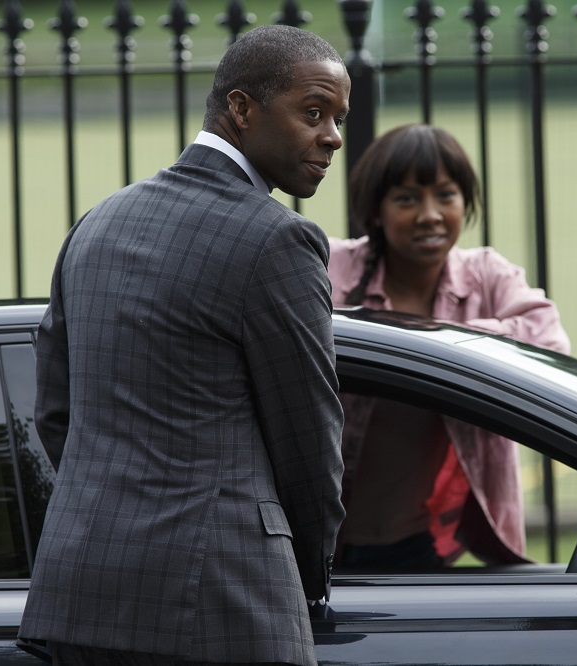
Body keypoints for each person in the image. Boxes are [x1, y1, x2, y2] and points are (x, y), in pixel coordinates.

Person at [18, 25, 349, 666]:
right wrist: (304, 580)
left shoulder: (100, 220)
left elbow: (57, 414)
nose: (332, 136)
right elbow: (309, 446)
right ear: (242, 109)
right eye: (313, 113)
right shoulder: (276, 240)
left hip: (81, 598)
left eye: (337, 118)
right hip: (223, 605)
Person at [328, 124, 570, 569]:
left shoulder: (486, 274)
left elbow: (549, 341)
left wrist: (436, 340)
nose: (430, 214)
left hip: (416, 547)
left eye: (446, 195)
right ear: (375, 210)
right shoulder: (331, 266)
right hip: (316, 545)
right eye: (406, 198)